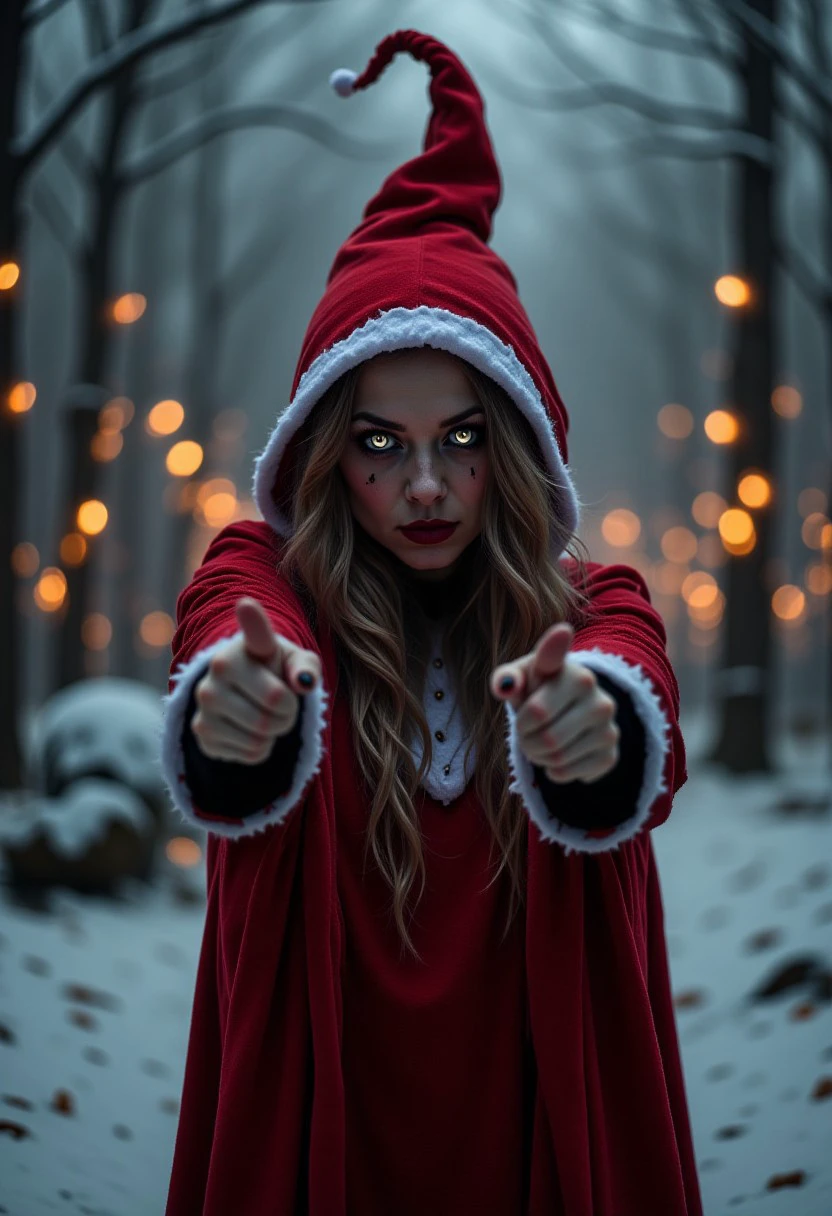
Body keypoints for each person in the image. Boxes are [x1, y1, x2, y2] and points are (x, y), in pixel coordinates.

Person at [158, 29, 703, 1216]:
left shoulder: (597, 603)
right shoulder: (267, 581)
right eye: (378, 443)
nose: (422, 487)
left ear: (512, 449)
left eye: (461, 439)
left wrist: (594, 726)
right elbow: (222, 629)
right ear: (320, 453)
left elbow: (626, 670)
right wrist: (232, 705)